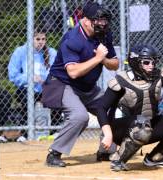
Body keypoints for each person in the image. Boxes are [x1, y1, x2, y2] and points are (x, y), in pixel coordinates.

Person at [95, 44, 163, 171]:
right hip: (120, 129)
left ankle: (155, 158)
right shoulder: (122, 81)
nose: (151, 65)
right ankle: (119, 160)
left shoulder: (156, 76)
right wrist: (107, 134)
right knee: (142, 126)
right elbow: (101, 108)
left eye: (153, 62)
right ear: (134, 62)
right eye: (146, 62)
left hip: (146, 125)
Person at [42, 2, 119, 167]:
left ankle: (106, 150)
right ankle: (54, 154)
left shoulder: (105, 35)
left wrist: (103, 59)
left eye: (104, 21)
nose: (102, 24)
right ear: (85, 20)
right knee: (80, 116)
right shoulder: (73, 38)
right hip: (61, 84)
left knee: (110, 106)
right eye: (98, 21)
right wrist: (98, 58)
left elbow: (115, 64)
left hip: (87, 88)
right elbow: (73, 72)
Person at [7, 27, 57, 141]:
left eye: (43, 39)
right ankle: (25, 133)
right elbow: (13, 75)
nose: (41, 42)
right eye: (37, 39)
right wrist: (29, 78)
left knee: (58, 92)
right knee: (24, 95)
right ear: (31, 39)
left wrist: (47, 79)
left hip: (45, 88)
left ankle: (54, 131)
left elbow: (56, 72)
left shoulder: (52, 52)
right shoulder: (20, 51)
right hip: (27, 88)